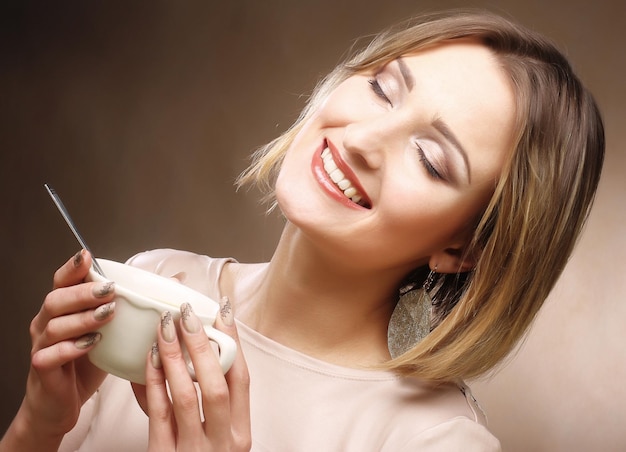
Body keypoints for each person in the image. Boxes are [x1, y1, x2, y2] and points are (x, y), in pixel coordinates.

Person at [1, 9, 604, 452]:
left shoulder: (433, 441)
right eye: (381, 89)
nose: (363, 140)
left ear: (463, 247)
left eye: (429, 158)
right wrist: (40, 423)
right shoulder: (154, 282)